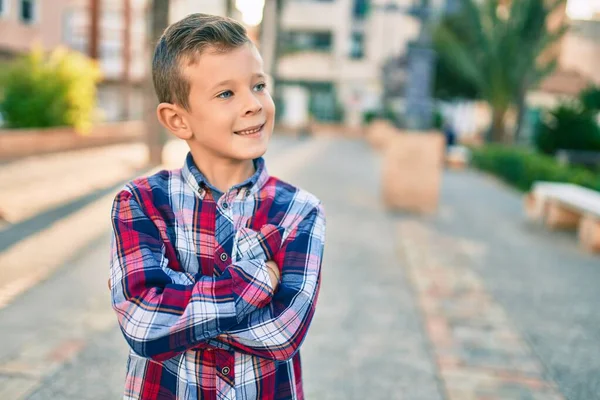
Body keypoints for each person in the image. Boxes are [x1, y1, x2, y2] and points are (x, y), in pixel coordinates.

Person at [109, 13, 326, 400]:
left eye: (259, 86)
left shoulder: (299, 212)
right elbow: (143, 324)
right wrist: (257, 281)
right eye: (226, 93)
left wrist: (178, 307)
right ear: (177, 120)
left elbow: (282, 332)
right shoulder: (140, 203)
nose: (253, 105)